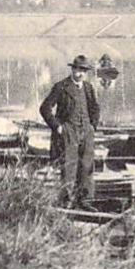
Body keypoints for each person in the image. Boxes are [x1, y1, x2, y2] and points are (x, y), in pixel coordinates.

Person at [40, 55, 102, 208]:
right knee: (69, 167)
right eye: (77, 69)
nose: (79, 73)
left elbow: (95, 108)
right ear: (72, 69)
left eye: (83, 70)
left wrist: (93, 126)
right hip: (69, 132)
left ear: (86, 72)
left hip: (86, 132)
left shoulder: (88, 88)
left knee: (87, 166)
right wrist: (58, 126)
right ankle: (67, 202)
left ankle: (85, 201)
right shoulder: (61, 87)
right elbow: (45, 108)